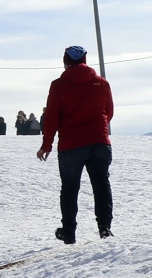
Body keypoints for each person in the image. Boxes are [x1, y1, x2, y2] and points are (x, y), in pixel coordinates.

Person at [37, 45, 114, 244]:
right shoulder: (101, 82)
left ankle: (69, 233)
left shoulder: (58, 85)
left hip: (71, 145)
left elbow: (52, 118)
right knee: (101, 184)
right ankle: (105, 229)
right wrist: (99, 129)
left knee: (70, 189)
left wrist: (47, 145)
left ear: (65, 62)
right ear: (85, 61)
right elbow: (109, 111)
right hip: (99, 142)